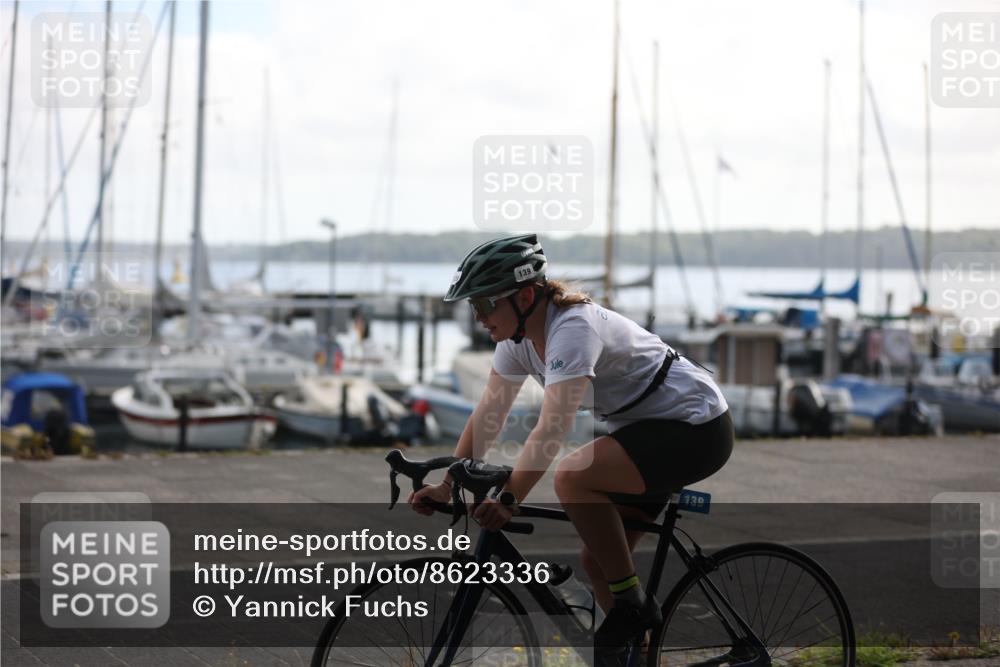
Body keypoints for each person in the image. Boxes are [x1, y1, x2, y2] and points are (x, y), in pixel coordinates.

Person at [409, 233, 734, 663]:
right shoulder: (516, 342)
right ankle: (634, 646)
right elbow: (489, 413)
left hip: (695, 426)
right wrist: (448, 484)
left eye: (485, 304)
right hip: (645, 431)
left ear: (525, 295)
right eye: (473, 306)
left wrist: (509, 498)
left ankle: (633, 607)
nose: (478, 317)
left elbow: (553, 426)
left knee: (575, 476)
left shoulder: (573, 328)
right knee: (600, 561)